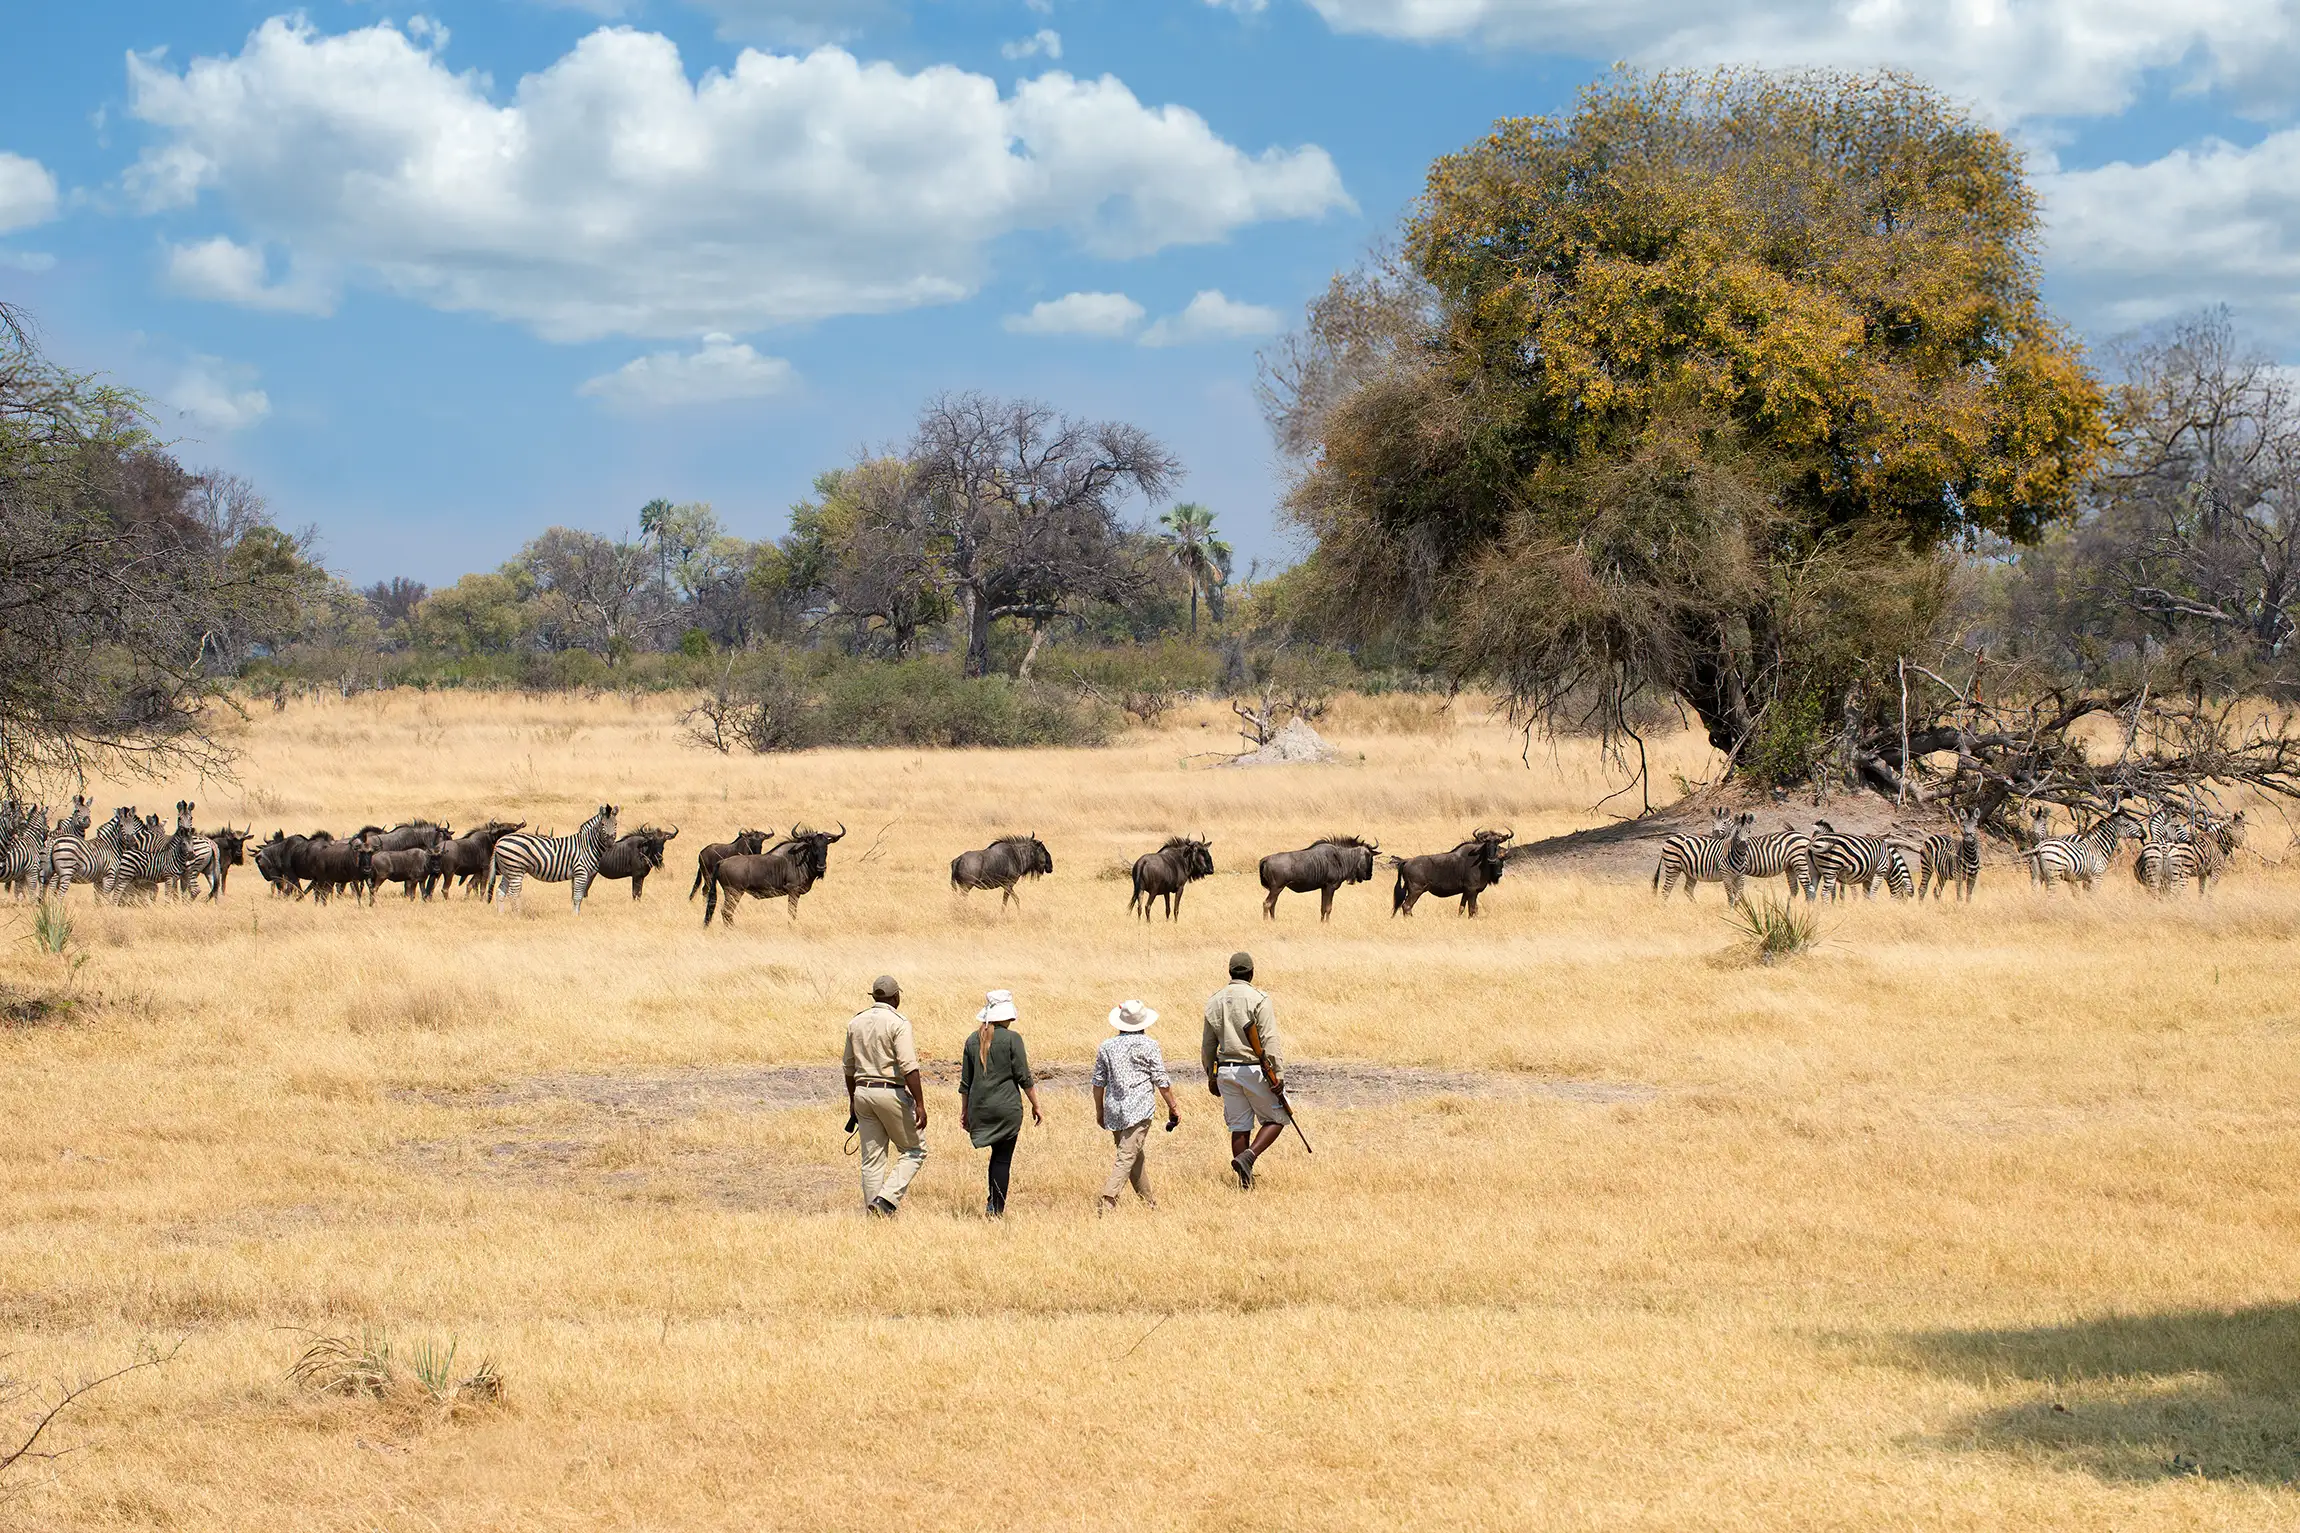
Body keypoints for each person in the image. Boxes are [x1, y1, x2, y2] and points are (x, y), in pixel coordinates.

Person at [844, 974, 927, 1217]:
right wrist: (920, 1103)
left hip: (862, 1092)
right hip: (889, 1091)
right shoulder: (898, 1022)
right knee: (915, 1150)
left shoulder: (855, 1022)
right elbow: (909, 1066)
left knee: (872, 1160)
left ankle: (874, 1215)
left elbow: (848, 1067)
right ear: (896, 996)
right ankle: (886, 1200)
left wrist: (852, 1099)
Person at [1203, 951, 1287, 1190]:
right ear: (1251, 973)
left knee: (1239, 1126)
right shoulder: (1259, 998)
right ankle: (1249, 1157)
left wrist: (1211, 1074)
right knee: (1277, 1118)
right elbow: (1269, 1039)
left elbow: (1208, 1044)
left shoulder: (1215, 1000)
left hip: (1226, 1071)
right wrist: (1277, 1074)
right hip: (1253, 1069)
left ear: (1230, 973)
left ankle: (1244, 1184)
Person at [958, 987, 1041, 1218]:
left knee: (996, 1156)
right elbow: (1024, 1077)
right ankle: (996, 1208)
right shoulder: (1013, 1039)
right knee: (1002, 1158)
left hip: (980, 1107)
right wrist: (1036, 1104)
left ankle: (992, 1202)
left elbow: (965, 1082)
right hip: (1007, 1108)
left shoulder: (972, 1039)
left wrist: (964, 1111)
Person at [1092, 999, 1180, 1213]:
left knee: (1133, 1156)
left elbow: (1098, 1082)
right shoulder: (1149, 1045)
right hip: (1139, 1109)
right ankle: (1107, 1201)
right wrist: (1173, 1106)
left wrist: (1100, 1110)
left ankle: (1150, 1205)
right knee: (1126, 1157)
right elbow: (1161, 1080)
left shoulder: (1106, 1046)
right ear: (1143, 1023)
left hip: (1114, 1110)